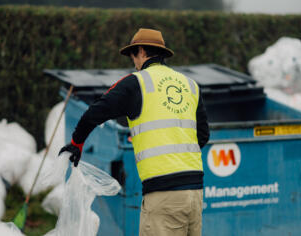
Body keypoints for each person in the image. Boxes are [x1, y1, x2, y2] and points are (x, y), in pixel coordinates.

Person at [59, 28, 209, 236]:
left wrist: (77, 143)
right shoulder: (190, 85)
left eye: (132, 57)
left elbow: (95, 112)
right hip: (195, 193)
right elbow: (202, 135)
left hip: (163, 194)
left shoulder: (137, 83)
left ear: (140, 51)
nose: (134, 63)